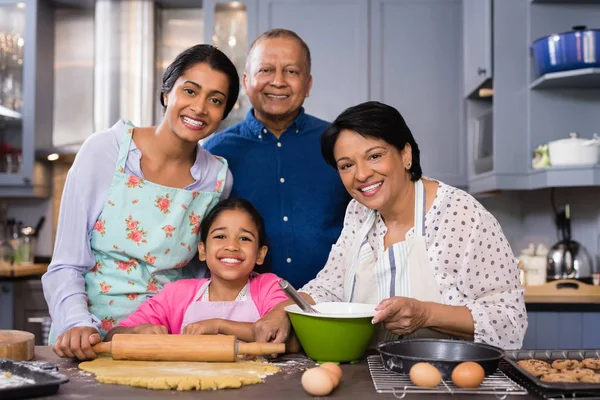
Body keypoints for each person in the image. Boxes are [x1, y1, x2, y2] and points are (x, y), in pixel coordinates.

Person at [255, 101, 527, 350]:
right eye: (347, 165)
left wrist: (426, 314)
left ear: (405, 154)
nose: (361, 174)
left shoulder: (460, 214)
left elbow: (509, 319)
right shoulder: (358, 212)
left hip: (445, 378)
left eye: (374, 156)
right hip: (369, 377)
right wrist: (284, 309)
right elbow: (330, 286)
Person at [43, 44, 240, 360]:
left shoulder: (217, 179)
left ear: (224, 114)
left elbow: (202, 275)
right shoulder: (104, 151)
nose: (200, 107)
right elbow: (66, 263)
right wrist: (78, 325)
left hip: (166, 337)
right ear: (166, 93)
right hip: (92, 340)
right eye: (190, 91)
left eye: (215, 100)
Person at [203, 29, 350, 289]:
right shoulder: (216, 151)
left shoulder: (340, 144)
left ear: (308, 84)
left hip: (332, 304)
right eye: (266, 70)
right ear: (247, 81)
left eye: (291, 71)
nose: (278, 81)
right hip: (246, 311)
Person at [104, 198, 291, 344]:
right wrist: (137, 332)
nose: (232, 246)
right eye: (220, 236)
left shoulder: (269, 288)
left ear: (260, 254)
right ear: (202, 250)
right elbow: (112, 337)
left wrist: (219, 326)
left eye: (244, 238)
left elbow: (289, 341)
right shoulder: (177, 295)